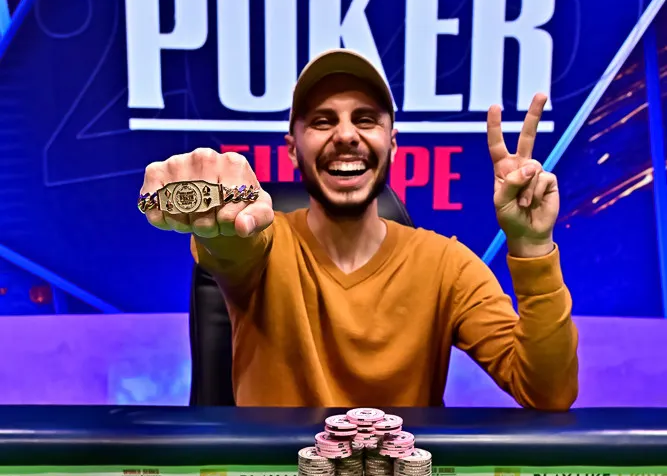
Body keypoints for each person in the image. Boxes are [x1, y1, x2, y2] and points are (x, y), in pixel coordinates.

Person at [139, 49, 578, 408]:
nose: (347, 135)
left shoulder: (447, 266)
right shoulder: (264, 246)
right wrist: (218, 207)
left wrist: (532, 244)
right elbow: (235, 242)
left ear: (393, 143)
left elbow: (548, 393)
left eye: (366, 119)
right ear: (292, 149)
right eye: (323, 121)